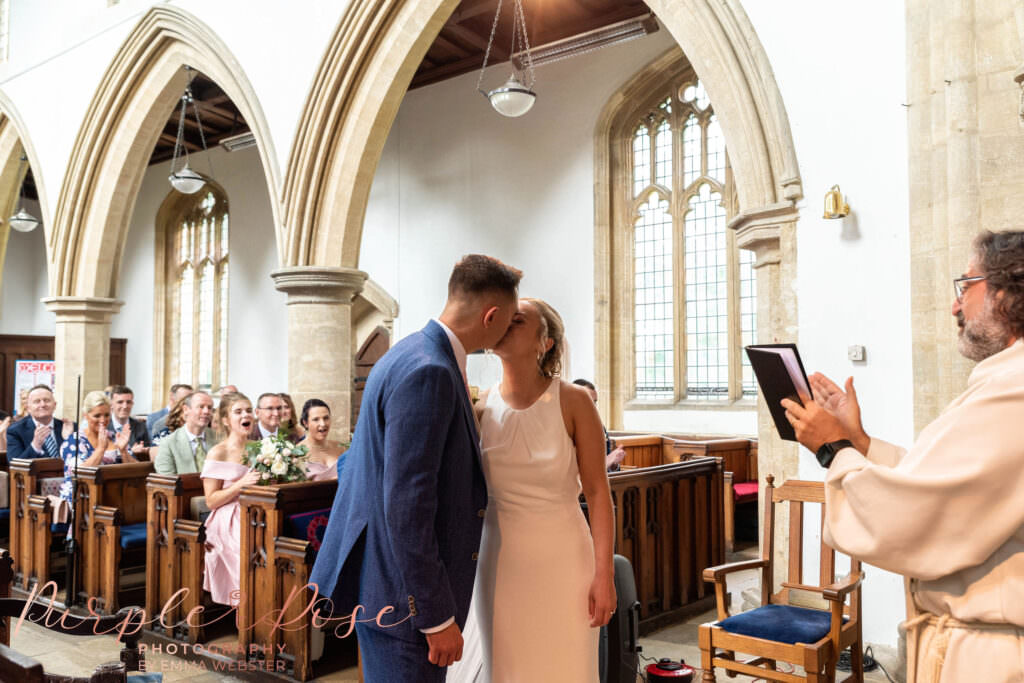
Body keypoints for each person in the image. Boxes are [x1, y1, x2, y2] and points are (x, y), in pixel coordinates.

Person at [781, 229, 1024, 682]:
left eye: (965, 286)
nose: (955, 305)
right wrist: (860, 442)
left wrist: (833, 449)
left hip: (992, 657)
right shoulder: (1003, 382)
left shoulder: (1015, 388)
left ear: (1008, 293)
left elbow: (910, 520)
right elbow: (949, 487)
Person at [311, 254, 522, 682]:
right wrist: (435, 616)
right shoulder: (430, 371)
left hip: (389, 589)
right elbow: (408, 505)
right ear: (491, 315)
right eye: (511, 319)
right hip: (404, 602)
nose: (509, 329)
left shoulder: (408, 352)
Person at [449, 299, 616, 682]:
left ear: (546, 343)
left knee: (567, 667)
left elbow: (597, 494)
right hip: (500, 564)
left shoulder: (573, 401)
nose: (506, 322)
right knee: (506, 669)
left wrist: (603, 574)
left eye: (518, 319)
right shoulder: (480, 407)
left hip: (565, 563)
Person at [200, 392, 261, 606]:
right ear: (226, 420)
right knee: (248, 555)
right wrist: (240, 484)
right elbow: (211, 501)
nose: (246, 415)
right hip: (227, 519)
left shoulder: (259, 448)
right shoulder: (218, 452)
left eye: (248, 410)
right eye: (238, 412)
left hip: (255, 512)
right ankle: (246, 612)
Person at [58, 391, 128, 513]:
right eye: (97, 416)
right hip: (82, 500)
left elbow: (134, 470)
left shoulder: (114, 436)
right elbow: (78, 475)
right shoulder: (74, 441)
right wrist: (101, 449)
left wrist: (124, 452)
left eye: (106, 415)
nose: (103, 420)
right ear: (86, 416)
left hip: (114, 497)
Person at [154, 392, 219, 475]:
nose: (206, 411)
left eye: (209, 408)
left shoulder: (219, 438)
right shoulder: (168, 443)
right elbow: (167, 480)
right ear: (186, 409)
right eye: (201, 407)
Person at [572, 379, 627, 471]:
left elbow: (608, 466)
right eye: (588, 401)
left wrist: (613, 464)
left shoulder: (599, 427)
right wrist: (606, 463)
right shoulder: (564, 428)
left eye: (595, 402)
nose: (593, 407)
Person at [6, 385, 69, 460]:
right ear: (28, 408)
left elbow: (79, 460)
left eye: (46, 400)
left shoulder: (67, 427)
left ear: (54, 405)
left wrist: (69, 439)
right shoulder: (15, 430)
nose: (42, 405)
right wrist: (35, 446)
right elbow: (14, 465)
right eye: (37, 401)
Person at [299, 398, 344, 481]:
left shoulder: (342, 448)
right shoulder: (296, 453)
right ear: (305, 423)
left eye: (326, 418)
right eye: (316, 419)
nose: (323, 424)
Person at [107, 385, 152, 461]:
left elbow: (147, 458)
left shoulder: (141, 427)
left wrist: (142, 452)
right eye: (120, 402)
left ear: (132, 404)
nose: (125, 406)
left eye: (128, 402)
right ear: (111, 405)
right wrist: (131, 452)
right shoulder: (104, 426)